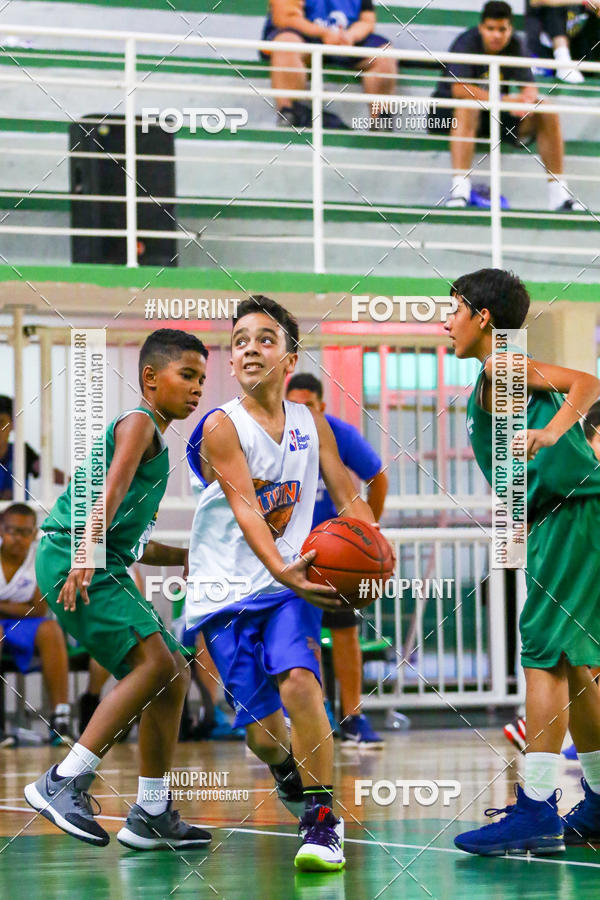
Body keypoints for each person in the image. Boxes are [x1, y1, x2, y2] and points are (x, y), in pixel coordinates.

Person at [185, 295, 382, 871]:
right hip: (226, 590)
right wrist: (280, 568)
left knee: (301, 680)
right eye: (241, 340)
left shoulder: (310, 422)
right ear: (232, 357)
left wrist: (373, 544)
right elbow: (248, 510)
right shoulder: (222, 427)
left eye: (265, 338)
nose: (251, 347)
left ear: (288, 356)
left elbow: (346, 493)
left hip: (289, 584)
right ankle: (285, 767)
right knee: (266, 737)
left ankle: (323, 822)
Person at [24, 329, 212, 851]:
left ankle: (151, 810)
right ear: (150, 378)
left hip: (98, 556)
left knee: (172, 673)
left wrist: (188, 557)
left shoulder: (156, 438)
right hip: (76, 554)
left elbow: (136, 543)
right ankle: (63, 781)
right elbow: (112, 489)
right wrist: (86, 552)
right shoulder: (139, 423)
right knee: (156, 666)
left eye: (202, 380)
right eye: (187, 375)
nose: (197, 389)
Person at [446, 267, 600, 855]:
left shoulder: (501, 366)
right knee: (577, 659)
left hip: (572, 510)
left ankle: (537, 807)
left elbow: (587, 383)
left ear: (483, 318)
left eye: (453, 308)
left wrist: (555, 434)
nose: (445, 320)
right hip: (569, 514)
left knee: (542, 649)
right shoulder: (499, 373)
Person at [285, 372, 388, 747]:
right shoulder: (275, 434)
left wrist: (368, 534)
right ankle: (304, 716)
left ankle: (353, 717)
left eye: (308, 405)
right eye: (293, 404)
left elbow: (377, 476)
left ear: (321, 406)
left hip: (335, 555)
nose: (301, 411)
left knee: (346, 634)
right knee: (296, 637)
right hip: (291, 557)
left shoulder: (337, 433)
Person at [503, 397, 600, 760]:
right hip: (567, 582)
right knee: (571, 658)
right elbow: (512, 526)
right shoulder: (565, 482)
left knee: (576, 659)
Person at [430, 1, 584, 211]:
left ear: (510, 29)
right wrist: (503, 101)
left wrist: (527, 103)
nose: (496, 35)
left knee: (546, 109)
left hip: (491, 115)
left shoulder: (516, 45)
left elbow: (529, 88)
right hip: (448, 116)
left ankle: (559, 196)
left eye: (502, 29)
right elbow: (459, 89)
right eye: (491, 29)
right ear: (481, 27)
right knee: (468, 105)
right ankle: (460, 192)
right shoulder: (467, 42)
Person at [261, 0, 397, 129]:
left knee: (384, 54)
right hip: (302, 35)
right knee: (286, 43)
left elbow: (367, 20)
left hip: (344, 39)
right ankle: (289, 112)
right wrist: (323, 33)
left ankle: (381, 120)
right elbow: (285, 18)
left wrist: (350, 36)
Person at [0, 503, 72, 744]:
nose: (17, 538)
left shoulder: (41, 556)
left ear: (34, 534)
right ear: (1, 530)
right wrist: (18, 606)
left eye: (24, 532)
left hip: (27, 624)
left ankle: (60, 719)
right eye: (11, 530)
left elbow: (39, 608)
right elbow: (28, 607)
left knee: (51, 628)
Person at [0, 395, 64, 500]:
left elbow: (46, 471)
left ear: (13, 425)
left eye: (1, 423)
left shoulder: (21, 451)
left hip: (21, 515)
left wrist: (79, 483)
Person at [525, 1, 600, 83]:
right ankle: (563, 62)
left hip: (578, 49)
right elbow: (534, 2)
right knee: (554, 8)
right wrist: (585, 1)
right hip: (543, 51)